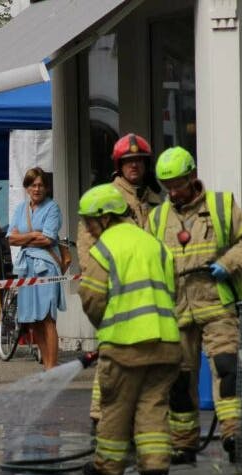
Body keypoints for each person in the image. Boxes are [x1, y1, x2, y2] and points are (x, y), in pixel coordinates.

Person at [149, 146, 242, 464]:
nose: (173, 193)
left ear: (192, 177)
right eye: (167, 186)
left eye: (178, 185)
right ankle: (184, 444)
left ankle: (233, 435)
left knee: (227, 369)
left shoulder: (221, 206)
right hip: (177, 310)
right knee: (179, 380)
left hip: (217, 306)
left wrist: (228, 263)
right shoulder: (157, 218)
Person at [76, 183, 181, 475]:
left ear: (104, 217)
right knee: (153, 404)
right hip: (167, 342)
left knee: (116, 406)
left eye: (89, 222)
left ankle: (108, 466)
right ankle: (154, 465)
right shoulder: (154, 245)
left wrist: (107, 325)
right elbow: (172, 289)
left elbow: (92, 298)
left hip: (125, 345)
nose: (88, 229)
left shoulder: (104, 250)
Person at [83, 134, 163, 426]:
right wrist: (99, 285)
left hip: (150, 292)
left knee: (146, 359)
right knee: (111, 357)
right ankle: (100, 416)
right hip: (116, 291)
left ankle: (136, 418)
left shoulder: (155, 201)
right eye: (128, 161)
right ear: (119, 165)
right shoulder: (106, 198)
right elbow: (88, 246)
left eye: (139, 160)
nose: (134, 166)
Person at [6, 167, 66, 370]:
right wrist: (33, 235)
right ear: (27, 188)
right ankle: (46, 366)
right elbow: (11, 238)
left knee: (47, 318)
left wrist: (23, 237)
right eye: (33, 185)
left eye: (40, 185)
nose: (37, 189)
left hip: (46, 267)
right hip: (26, 268)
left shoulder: (52, 208)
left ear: (46, 188)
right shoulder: (20, 209)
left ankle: (52, 367)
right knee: (34, 319)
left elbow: (48, 238)